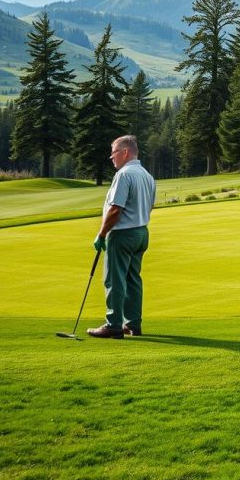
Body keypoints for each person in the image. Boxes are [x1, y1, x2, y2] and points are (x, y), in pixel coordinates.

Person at [87, 135, 157, 339]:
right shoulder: (147, 175)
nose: (112, 158)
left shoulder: (124, 175)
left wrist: (101, 233)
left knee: (115, 279)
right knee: (133, 279)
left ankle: (113, 324)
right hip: (142, 232)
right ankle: (133, 324)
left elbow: (116, 209)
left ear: (125, 152)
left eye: (114, 153)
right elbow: (150, 206)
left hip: (123, 234)